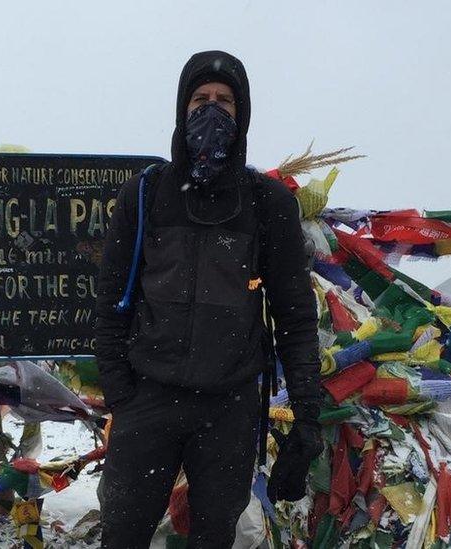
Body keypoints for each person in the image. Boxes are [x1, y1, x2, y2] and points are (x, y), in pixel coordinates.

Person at [94, 50, 322, 547]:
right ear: (182, 108)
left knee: (214, 537)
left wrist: (307, 415)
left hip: (229, 407)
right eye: (200, 99)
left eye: (225, 101)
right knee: (123, 534)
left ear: (243, 115)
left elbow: (295, 316)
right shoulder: (146, 193)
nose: (211, 111)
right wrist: (121, 392)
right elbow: (112, 297)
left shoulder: (268, 203)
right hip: (148, 399)